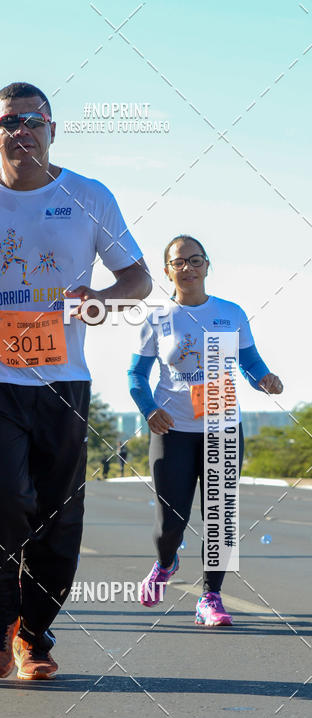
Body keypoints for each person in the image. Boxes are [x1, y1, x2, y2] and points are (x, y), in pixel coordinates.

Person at [0, 82, 151, 679]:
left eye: (33, 120)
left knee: (58, 515)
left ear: (53, 128)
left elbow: (140, 279)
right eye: (9, 122)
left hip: (63, 382)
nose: (23, 131)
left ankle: (35, 635)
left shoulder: (90, 196)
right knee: (5, 501)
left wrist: (100, 300)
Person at [128, 235, 283, 625]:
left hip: (223, 425)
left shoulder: (231, 313)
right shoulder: (157, 317)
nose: (188, 268)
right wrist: (149, 410)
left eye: (195, 260)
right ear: (167, 271)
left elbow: (250, 364)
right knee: (171, 523)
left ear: (207, 265)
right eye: (179, 262)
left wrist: (266, 379)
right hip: (173, 429)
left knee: (219, 516)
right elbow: (135, 376)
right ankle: (166, 561)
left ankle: (210, 597)